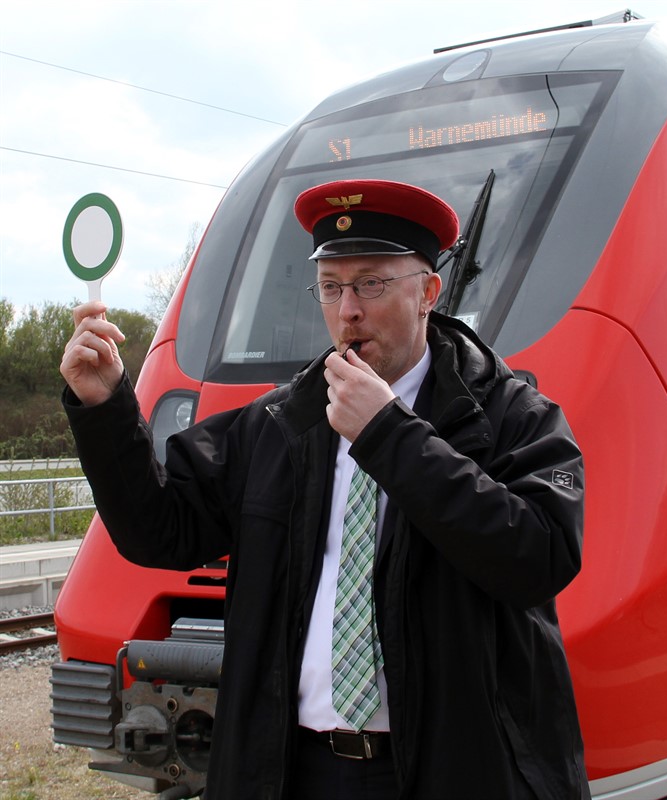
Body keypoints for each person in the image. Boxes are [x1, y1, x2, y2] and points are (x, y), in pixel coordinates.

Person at [60, 179, 589, 798]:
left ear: (429, 292)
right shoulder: (280, 423)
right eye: (331, 287)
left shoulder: (512, 416)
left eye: (371, 283)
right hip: (293, 769)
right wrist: (106, 409)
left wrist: (389, 433)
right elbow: (159, 527)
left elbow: (541, 555)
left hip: (450, 771)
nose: (348, 311)